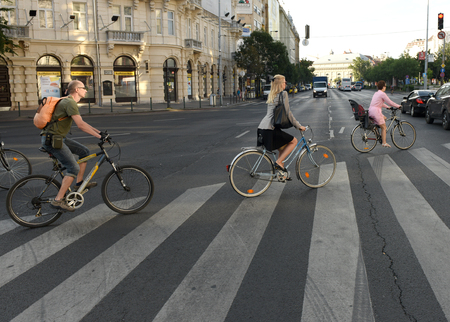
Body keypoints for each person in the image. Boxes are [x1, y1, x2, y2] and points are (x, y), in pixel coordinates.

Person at [41, 80, 103, 212]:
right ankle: (58, 200)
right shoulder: (70, 103)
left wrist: (100, 133)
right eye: (83, 88)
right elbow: (80, 126)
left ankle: (79, 183)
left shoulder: (68, 101)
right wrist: (99, 137)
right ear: (76, 90)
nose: (86, 90)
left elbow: (82, 122)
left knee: (84, 152)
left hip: (57, 138)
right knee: (73, 167)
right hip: (53, 140)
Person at [257, 75, 306, 179]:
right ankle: (279, 162)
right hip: (271, 129)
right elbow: (288, 113)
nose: (286, 84)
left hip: (262, 128)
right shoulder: (283, 94)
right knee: (294, 141)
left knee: (282, 148)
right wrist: (298, 126)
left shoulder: (272, 94)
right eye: (284, 82)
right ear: (280, 84)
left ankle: (281, 174)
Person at [368, 80, 401, 148]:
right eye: (385, 86)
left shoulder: (376, 93)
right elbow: (390, 102)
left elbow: (380, 103)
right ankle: (384, 142)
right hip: (376, 112)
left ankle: (377, 133)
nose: (386, 87)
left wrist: (387, 107)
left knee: (385, 118)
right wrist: (398, 106)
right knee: (384, 127)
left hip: (371, 110)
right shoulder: (382, 94)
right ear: (383, 87)